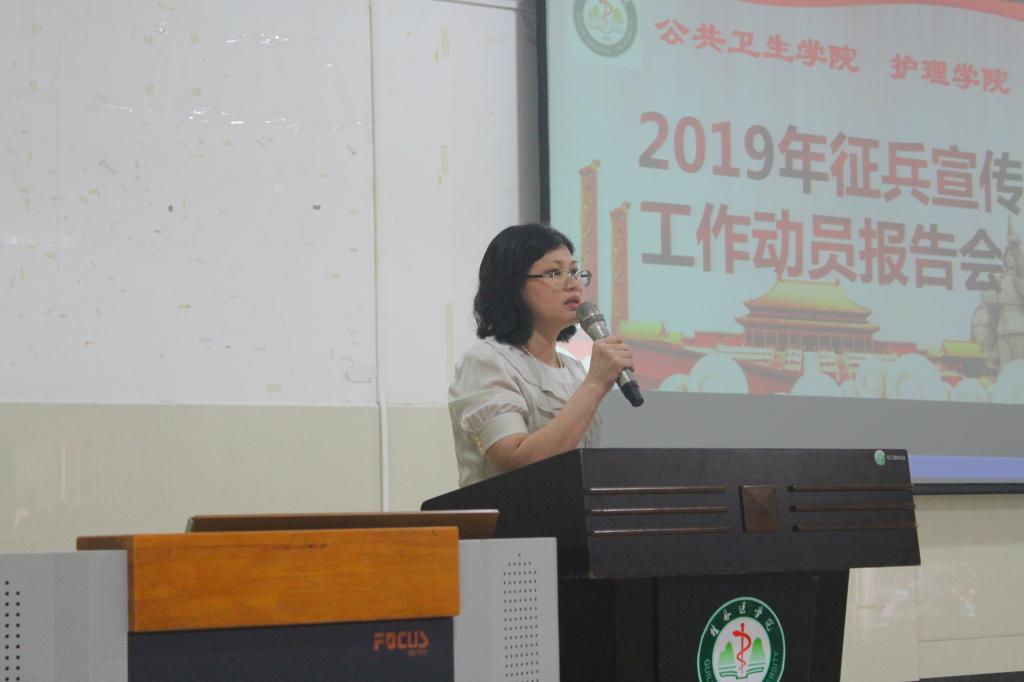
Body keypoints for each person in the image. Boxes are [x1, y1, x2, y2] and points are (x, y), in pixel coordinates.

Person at [448, 223, 635, 487]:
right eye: (554, 272)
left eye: (574, 271)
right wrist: (594, 385)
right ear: (512, 285)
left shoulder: (573, 369)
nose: (573, 283)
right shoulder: (486, 362)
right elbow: (515, 465)